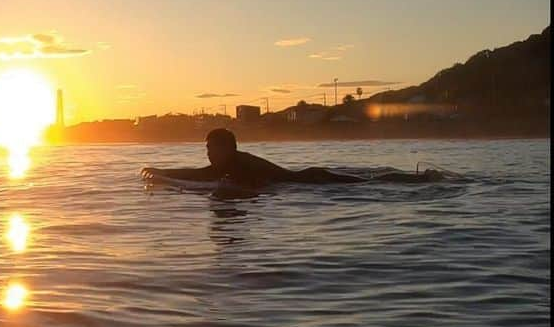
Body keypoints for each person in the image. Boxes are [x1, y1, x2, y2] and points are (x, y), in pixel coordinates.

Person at [141, 128, 442, 189]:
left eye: (212, 149)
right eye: (207, 149)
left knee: (368, 184)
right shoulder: (232, 163)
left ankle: (420, 179)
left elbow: (199, 174)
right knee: (368, 182)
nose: (208, 154)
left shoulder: (236, 163)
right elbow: (203, 173)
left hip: (312, 180)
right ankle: (418, 179)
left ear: (227, 149)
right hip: (309, 177)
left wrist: (162, 173)